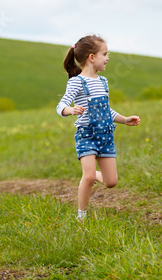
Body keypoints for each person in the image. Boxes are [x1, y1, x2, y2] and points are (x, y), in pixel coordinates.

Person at [56, 34, 140, 221]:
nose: (108, 58)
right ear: (92, 57)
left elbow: (106, 111)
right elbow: (60, 106)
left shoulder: (103, 82)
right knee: (88, 175)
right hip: (87, 135)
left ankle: (94, 176)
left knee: (111, 182)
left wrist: (124, 119)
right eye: (105, 54)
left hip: (105, 136)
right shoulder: (76, 82)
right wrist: (70, 110)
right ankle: (81, 216)